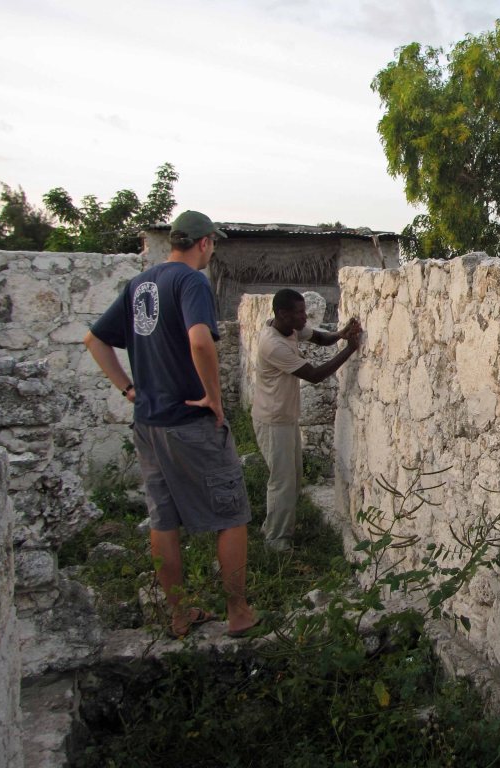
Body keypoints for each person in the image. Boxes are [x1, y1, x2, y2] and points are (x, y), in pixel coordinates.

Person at [84, 210, 259, 638]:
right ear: (204, 243)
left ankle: (179, 615)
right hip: (189, 419)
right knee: (231, 513)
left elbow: (94, 339)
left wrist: (128, 388)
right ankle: (238, 612)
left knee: (163, 520)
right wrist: (214, 397)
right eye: (212, 244)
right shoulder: (191, 281)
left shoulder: (140, 284)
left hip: (148, 421)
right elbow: (199, 340)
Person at [252, 288, 362, 552]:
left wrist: (341, 334)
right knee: (282, 481)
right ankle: (277, 541)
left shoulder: (288, 328)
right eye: (299, 313)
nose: (305, 317)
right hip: (272, 420)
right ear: (283, 314)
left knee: (292, 477)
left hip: (285, 416)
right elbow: (313, 375)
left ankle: (273, 527)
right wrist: (350, 350)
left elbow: (320, 338)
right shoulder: (273, 345)